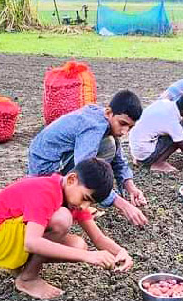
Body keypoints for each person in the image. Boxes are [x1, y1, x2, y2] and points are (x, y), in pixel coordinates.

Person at [0, 158, 133, 300]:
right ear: (71, 179)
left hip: (8, 236)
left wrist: (120, 252)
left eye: (90, 203)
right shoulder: (46, 191)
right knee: (62, 219)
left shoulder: (73, 198)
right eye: (85, 198)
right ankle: (28, 278)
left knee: (78, 245)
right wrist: (87, 256)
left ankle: (18, 267)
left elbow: (98, 238)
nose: (85, 206)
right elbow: (32, 243)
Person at [27, 90, 148, 227]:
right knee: (107, 146)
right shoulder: (94, 126)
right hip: (45, 169)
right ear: (108, 113)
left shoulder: (106, 119)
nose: (125, 131)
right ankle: (72, 199)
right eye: (122, 124)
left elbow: (118, 160)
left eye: (130, 127)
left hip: (59, 159)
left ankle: (76, 197)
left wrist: (130, 187)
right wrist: (122, 204)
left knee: (110, 145)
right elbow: (86, 169)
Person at [129, 87, 183, 174]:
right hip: (146, 155)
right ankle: (159, 162)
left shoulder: (164, 103)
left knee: (179, 129)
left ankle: (139, 158)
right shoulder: (172, 123)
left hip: (136, 147)